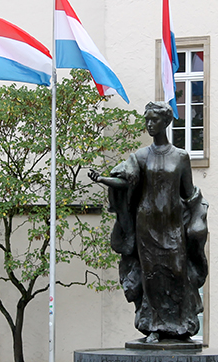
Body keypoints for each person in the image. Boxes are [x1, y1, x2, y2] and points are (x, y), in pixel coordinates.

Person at [89, 102, 208, 343]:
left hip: (173, 226)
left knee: (177, 272)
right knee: (151, 275)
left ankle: (181, 326)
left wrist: (197, 219)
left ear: (166, 122)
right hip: (147, 225)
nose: (149, 124)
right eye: (147, 120)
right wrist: (102, 178)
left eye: (154, 120)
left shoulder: (181, 157)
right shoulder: (140, 156)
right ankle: (154, 325)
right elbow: (126, 182)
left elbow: (189, 193)